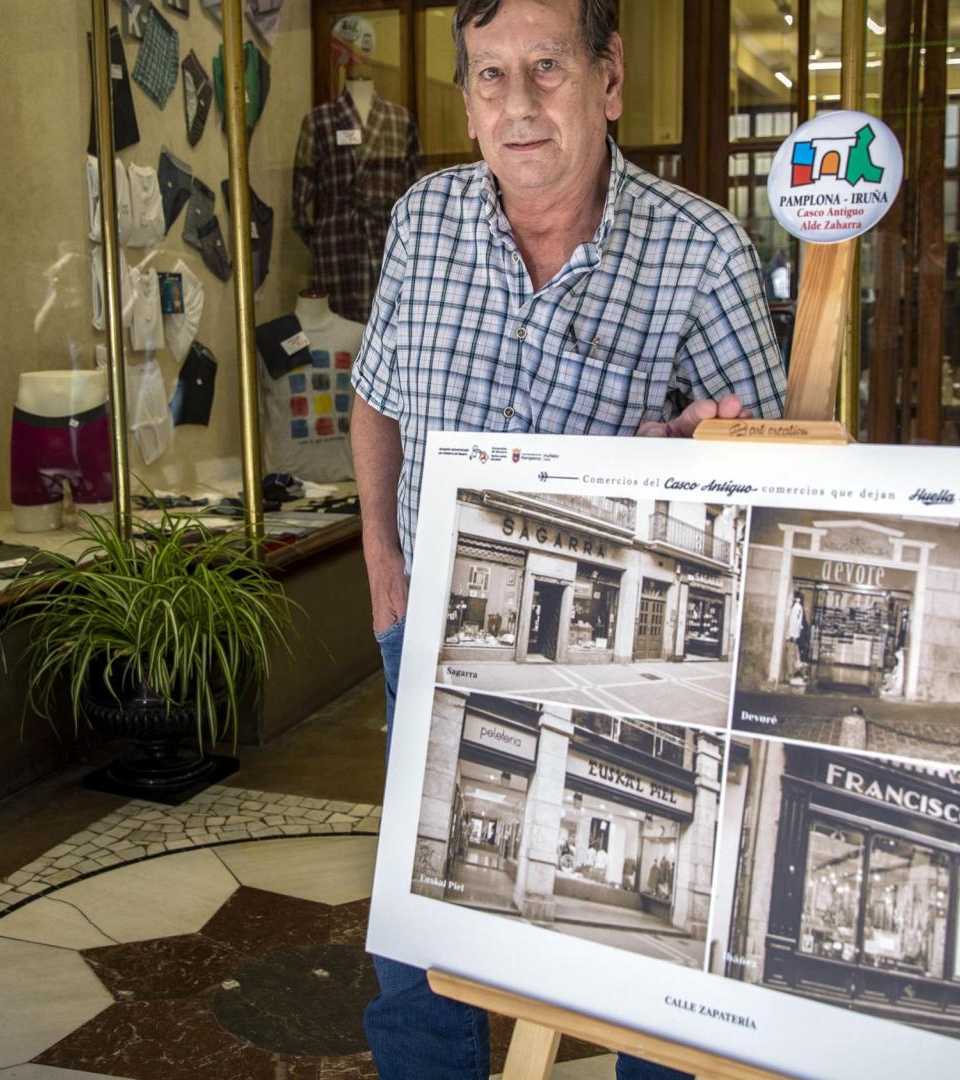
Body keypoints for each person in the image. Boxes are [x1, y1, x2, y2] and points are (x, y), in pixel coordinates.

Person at [352, 0, 781, 1075]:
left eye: (547, 66)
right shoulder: (425, 219)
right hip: (433, 628)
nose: (520, 103)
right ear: (466, 102)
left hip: (623, 665)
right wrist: (381, 560)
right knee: (421, 927)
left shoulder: (700, 253)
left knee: (647, 922)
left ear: (609, 79)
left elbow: (776, 470)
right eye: (490, 76)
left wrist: (698, 451)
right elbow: (375, 399)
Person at [785, 592, 808, 686]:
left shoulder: (797, 608)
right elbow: (798, 623)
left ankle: (791, 675)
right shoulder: (798, 608)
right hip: (794, 637)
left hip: (793, 637)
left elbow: (795, 623)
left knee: (792, 656)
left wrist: (792, 635)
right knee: (794, 656)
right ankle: (793, 674)